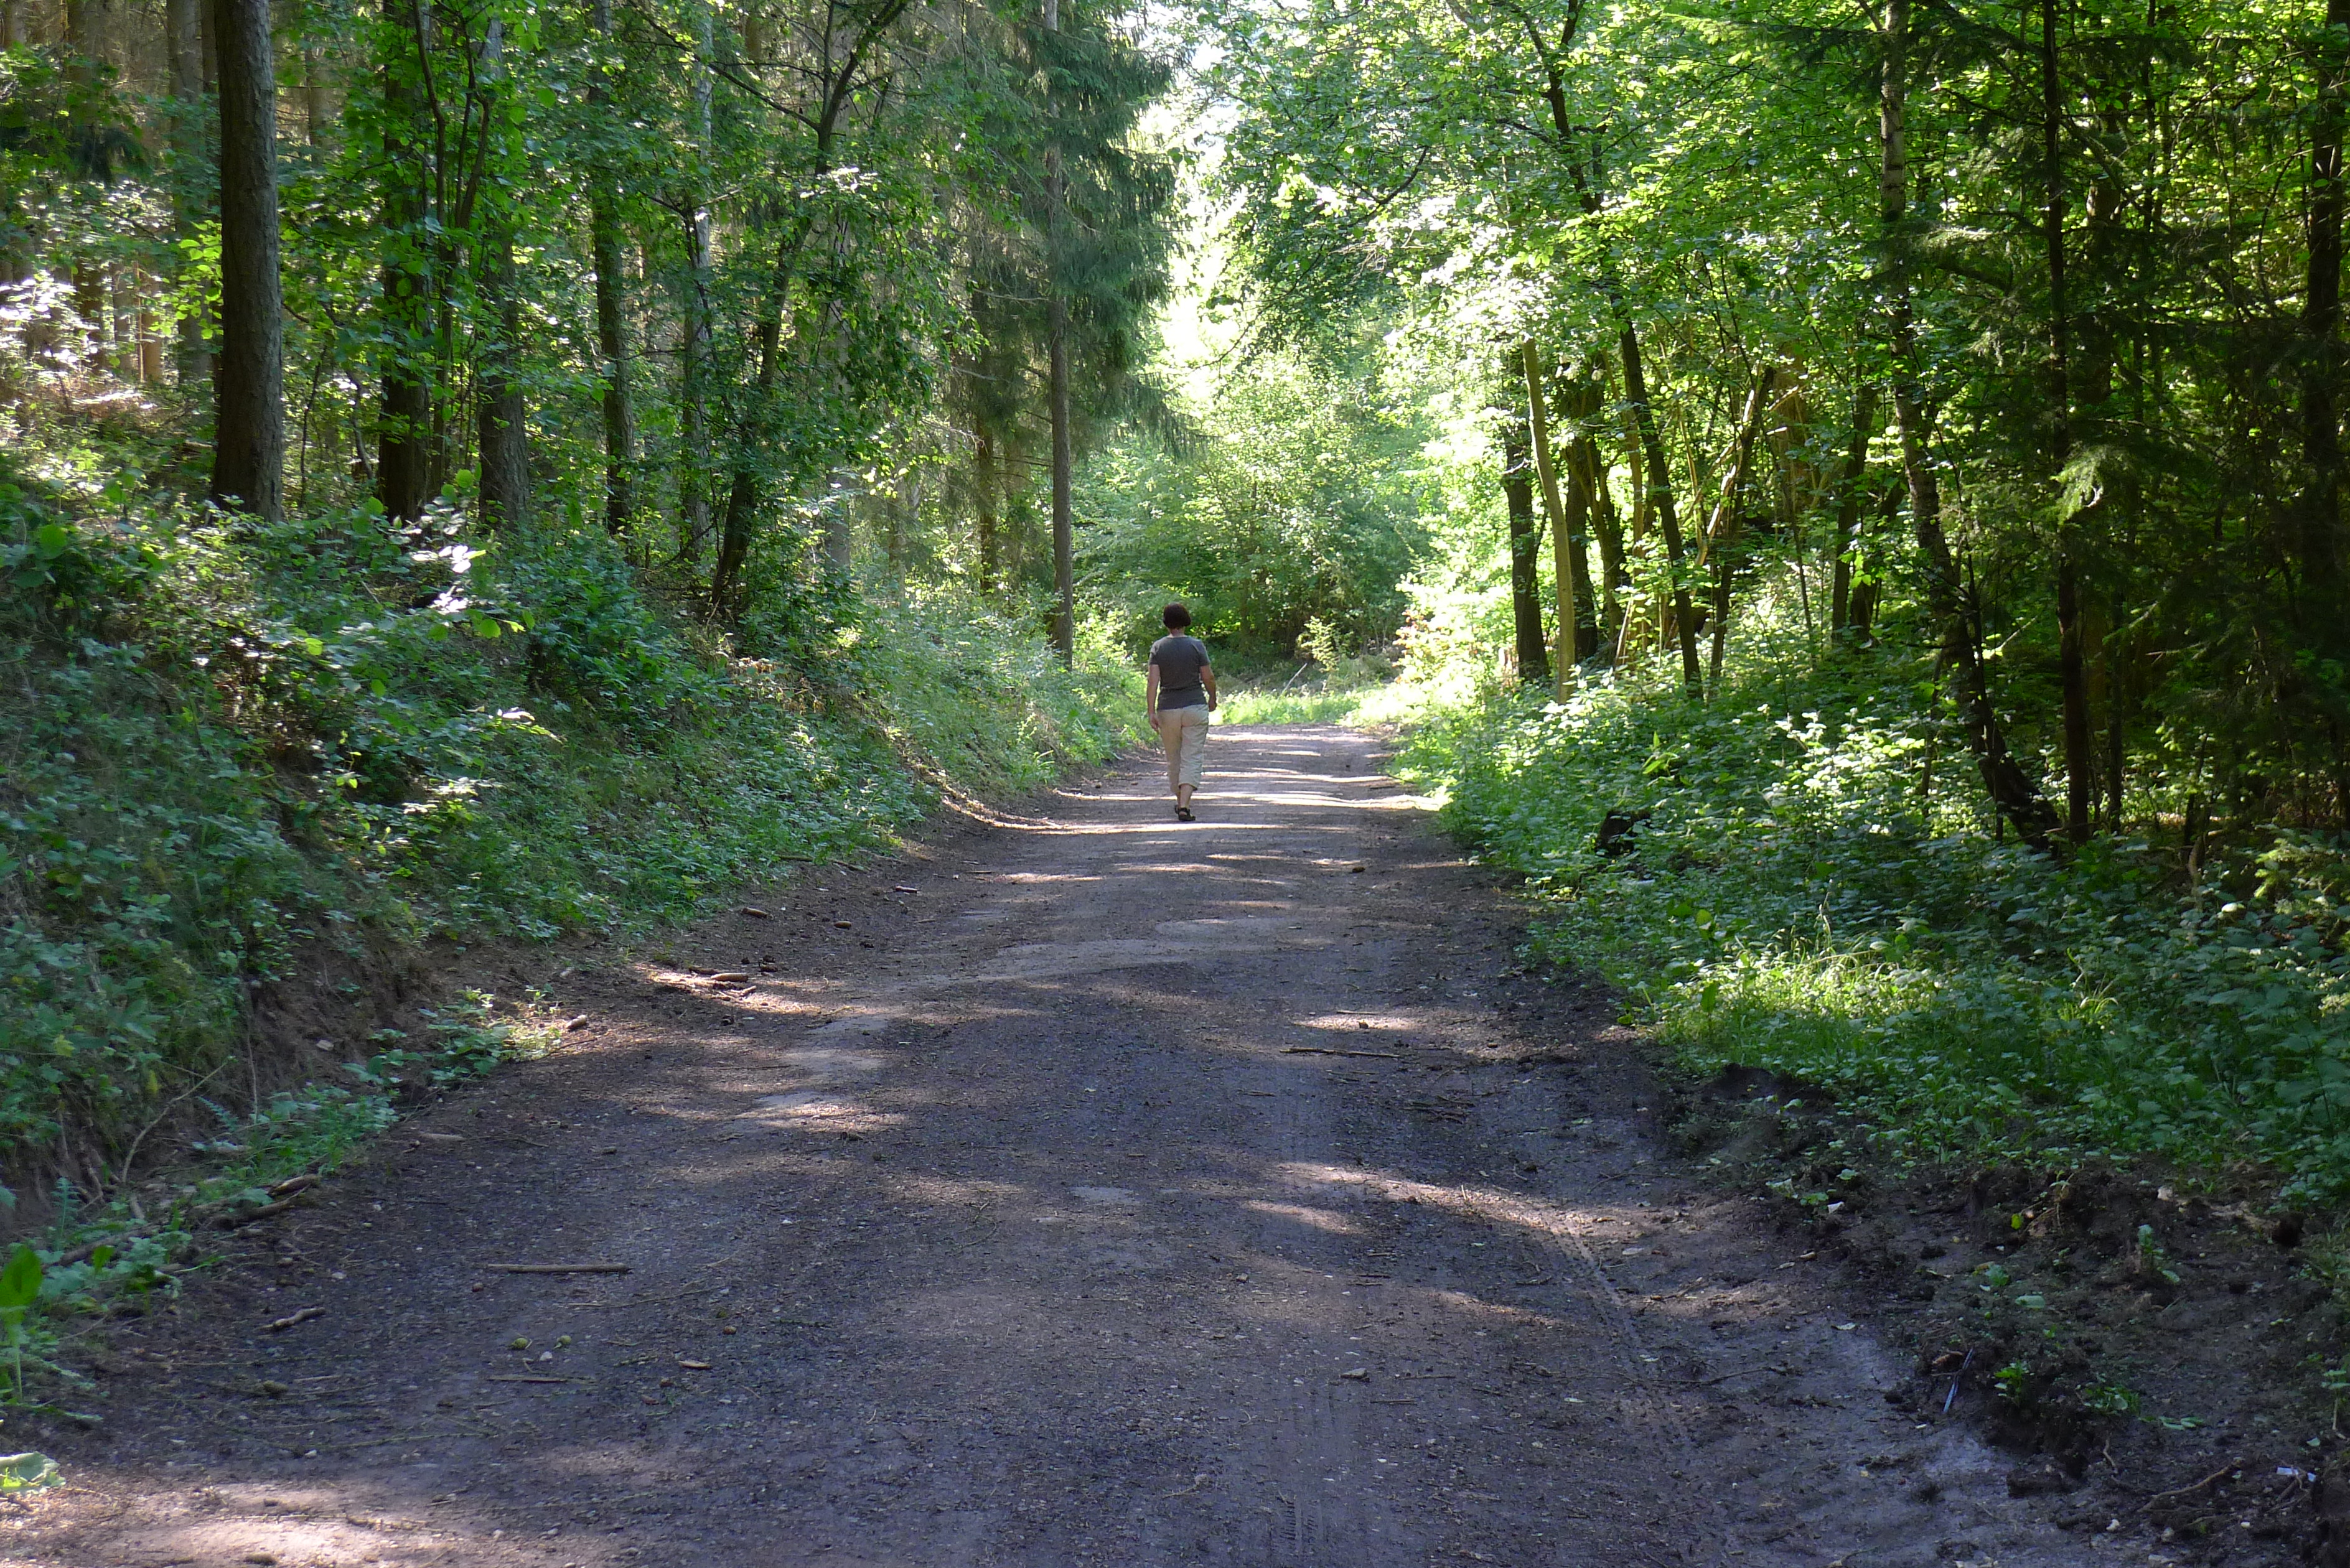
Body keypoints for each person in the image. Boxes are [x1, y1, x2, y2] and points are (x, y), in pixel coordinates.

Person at [1145, 602, 1217, 821]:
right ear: (1186, 621)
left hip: (1168, 709)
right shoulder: (1196, 646)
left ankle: (1180, 801)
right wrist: (1212, 697)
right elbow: (1208, 677)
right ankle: (1184, 804)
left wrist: (1151, 711)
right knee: (1192, 756)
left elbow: (1153, 682)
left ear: (1166, 623)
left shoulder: (1158, 648)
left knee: (1173, 758)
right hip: (1195, 706)